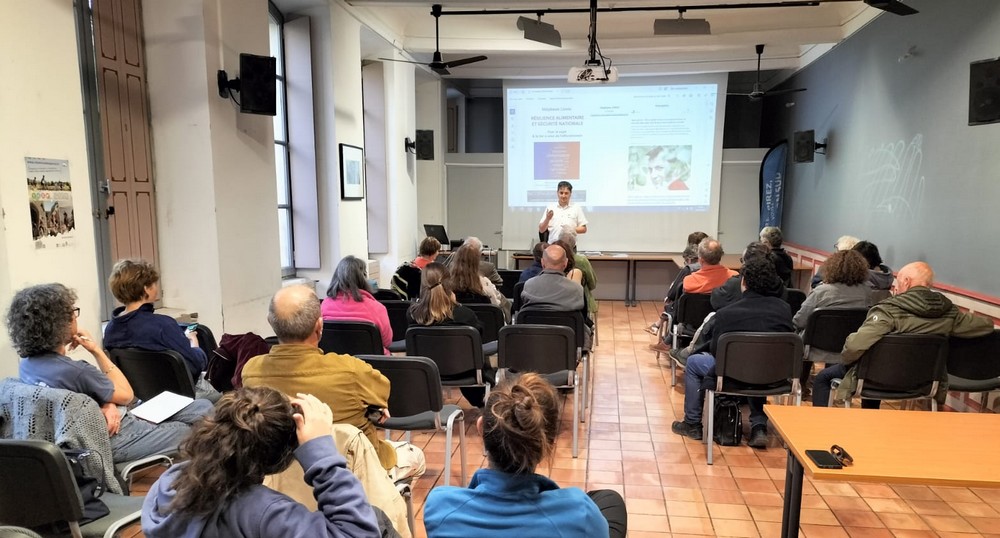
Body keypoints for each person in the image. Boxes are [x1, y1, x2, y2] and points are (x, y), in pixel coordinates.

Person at [8, 283, 213, 463]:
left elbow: (85, 399)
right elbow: (127, 394)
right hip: (118, 435)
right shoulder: (78, 371)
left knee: (202, 406)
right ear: (62, 323)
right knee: (192, 429)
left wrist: (108, 403)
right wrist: (96, 350)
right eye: (73, 312)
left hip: (106, 426)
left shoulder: (27, 365)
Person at [141, 388, 382, 538]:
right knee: (376, 518)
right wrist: (322, 452)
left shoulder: (169, 481)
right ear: (281, 459)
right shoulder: (264, 512)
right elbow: (359, 533)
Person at [243, 285, 425, 482]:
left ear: (271, 322)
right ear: (320, 326)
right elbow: (383, 393)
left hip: (281, 478)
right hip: (355, 473)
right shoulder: (351, 370)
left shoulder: (251, 372)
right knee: (416, 456)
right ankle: (383, 507)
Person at [424, 374, 627, 538]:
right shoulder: (580, 513)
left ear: (480, 428)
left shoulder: (439, 507)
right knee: (610, 500)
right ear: (548, 440)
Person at [812, 261, 994, 408]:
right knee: (872, 370)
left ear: (906, 281)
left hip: (876, 377)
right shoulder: (949, 312)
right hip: (925, 382)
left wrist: (846, 358)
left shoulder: (888, 311)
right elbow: (985, 326)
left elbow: (854, 347)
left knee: (824, 377)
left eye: (898, 281)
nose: (896, 286)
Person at [671, 256, 793, 449]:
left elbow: (716, 350)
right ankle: (759, 426)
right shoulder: (785, 310)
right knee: (759, 361)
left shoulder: (727, 313)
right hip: (774, 375)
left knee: (694, 362)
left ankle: (692, 424)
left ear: (743, 283)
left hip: (732, 374)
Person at [102, 259, 219, 401]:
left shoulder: (111, 329)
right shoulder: (163, 325)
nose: (156, 287)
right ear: (146, 288)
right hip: (184, 395)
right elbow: (196, 365)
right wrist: (194, 343)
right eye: (154, 284)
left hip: (143, 397)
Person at [407, 262, 495, 408]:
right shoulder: (465, 315)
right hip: (465, 372)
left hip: (426, 372)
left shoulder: (413, 315)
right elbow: (480, 339)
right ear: (449, 284)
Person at [520, 245, 591, 348]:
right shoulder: (576, 289)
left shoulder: (528, 285)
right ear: (565, 263)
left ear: (542, 262)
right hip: (567, 344)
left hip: (532, 343)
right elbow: (583, 317)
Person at [321, 255, 393, 354]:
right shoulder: (377, 308)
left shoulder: (324, 306)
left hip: (335, 364)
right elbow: (387, 342)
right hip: (372, 365)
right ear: (363, 278)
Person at [793, 250, 872, 331]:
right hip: (852, 340)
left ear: (831, 268)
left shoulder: (820, 292)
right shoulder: (867, 292)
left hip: (818, 341)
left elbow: (799, 322)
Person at [450, 243, 510, 321]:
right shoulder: (486, 286)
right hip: (487, 329)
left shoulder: (445, 288)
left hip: (455, 330)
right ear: (477, 263)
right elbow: (496, 311)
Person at [559, 232, 598, 317]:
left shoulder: (553, 260)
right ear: (574, 246)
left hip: (559, 305)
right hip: (584, 303)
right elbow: (592, 284)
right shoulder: (581, 260)